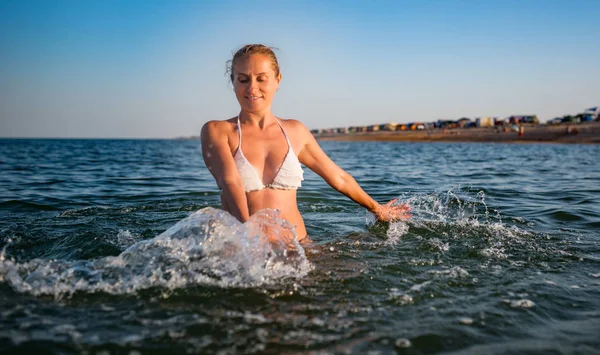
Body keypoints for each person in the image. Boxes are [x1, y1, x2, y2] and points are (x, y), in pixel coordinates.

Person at [201, 44, 410, 244]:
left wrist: (377, 209)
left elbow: (338, 177)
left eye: (261, 79)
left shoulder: (295, 131)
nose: (252, 88)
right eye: (243, 79)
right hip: (244, 248)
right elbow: (231, 183)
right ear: (233, 82)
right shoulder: (218, 131)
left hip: (299, 246)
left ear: (277, 80)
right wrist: (248, 237)